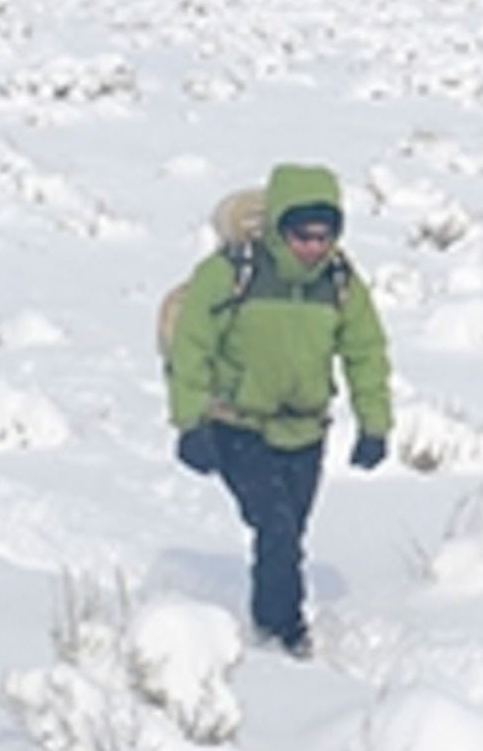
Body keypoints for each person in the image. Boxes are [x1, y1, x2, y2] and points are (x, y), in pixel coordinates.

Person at [165, 161, 394, 657]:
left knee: (289, 533)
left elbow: (365, 352)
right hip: (237, 427)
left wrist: (374, 425)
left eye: (325, 234)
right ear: (280, 228)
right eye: (302, 234)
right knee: (277, 529)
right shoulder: (231, 273)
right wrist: (191, 422)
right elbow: (191, 346)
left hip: (306, 432)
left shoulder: (339, 282)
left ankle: (274, 616)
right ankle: (283, 634)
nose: (314, 246)